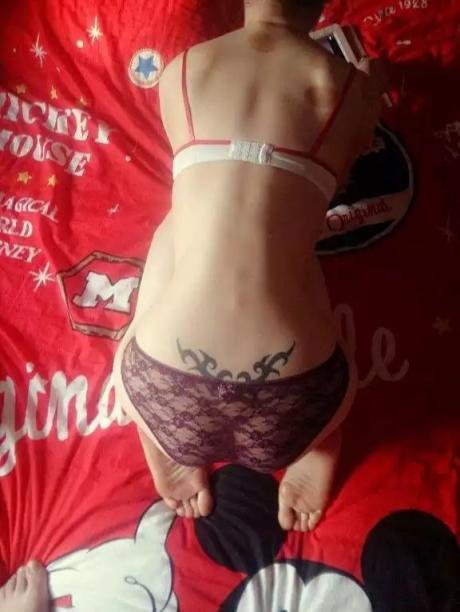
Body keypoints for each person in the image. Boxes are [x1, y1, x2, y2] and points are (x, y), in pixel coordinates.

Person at [113, 0, 385, 533]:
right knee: (295, 255)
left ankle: (158, 439)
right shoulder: (349, 89)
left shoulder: (181, 71)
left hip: (163, 393)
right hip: (299, 403)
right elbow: (361, 141)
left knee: (178, 226)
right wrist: (373, 85)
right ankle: (319, 446)